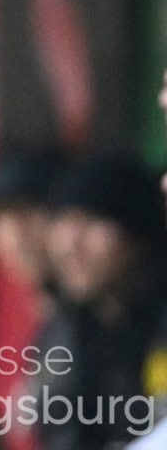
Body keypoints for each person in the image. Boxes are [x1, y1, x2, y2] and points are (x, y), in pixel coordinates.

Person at [32, 154, 167, 449]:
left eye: (91, 222)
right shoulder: (65, 330)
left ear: (137, 234)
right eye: (63, 222)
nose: (71, 245)